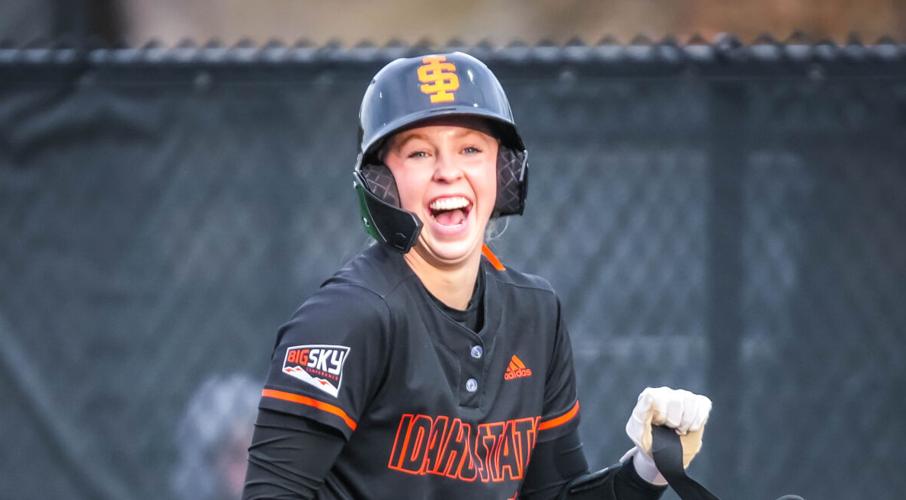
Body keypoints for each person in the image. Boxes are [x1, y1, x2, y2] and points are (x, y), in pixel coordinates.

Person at [242, 52, 712, 500]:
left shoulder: (536, 314)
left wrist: (647, 468)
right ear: (381, 185)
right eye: (420, 153)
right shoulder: (348, 317)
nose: (448, 172)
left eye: (470, 148)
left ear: (503, 172)